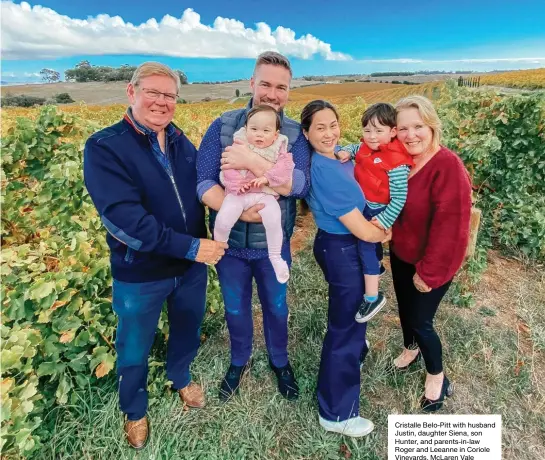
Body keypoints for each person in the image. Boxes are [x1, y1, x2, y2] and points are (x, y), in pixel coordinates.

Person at [83, 62, 228, 449]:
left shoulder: (181, 141)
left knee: (187, 327)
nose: (162, 102)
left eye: (169, 95)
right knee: (134, 344)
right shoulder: (104, 146)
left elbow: (205, 187)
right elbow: (125, 222)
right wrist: (195, 246)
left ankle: (180, 377)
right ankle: (134, 410)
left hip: (190, 268)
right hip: (141, 272)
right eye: (153, 92)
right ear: (132, 92)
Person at [197, 51, 311, 402]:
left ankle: (280, 360)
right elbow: (202, 181)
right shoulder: (223, 124)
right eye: (265, 84)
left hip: (272, 245)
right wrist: (240, 211)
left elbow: (300, 184)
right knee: (235, 307)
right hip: (230, 246)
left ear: (288, 91)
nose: (272, 94)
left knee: (277, 307)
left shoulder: (294, 133)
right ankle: (238, 359)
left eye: (281, 87)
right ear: (252, 83)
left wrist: (250, 161)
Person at [302, 100, 387, 437]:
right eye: (320, 127)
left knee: (353, 319)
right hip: (342, 248)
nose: (329, 133)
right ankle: (336, 413)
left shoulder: (339, 157)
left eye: (333, 124)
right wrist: (387, 229)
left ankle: (355, 350)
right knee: (345, 327)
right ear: (306, 133)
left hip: (346, 247)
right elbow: (364, 230)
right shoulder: (323, 170)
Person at [390, 95, 472, 412]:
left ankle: (437, 376)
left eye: (418, 126)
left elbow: (452, 228)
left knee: (422, 320)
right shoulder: (401, 162)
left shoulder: (447, 166)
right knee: (405, 310)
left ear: (432, 126)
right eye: (402, 128)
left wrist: (430, 273)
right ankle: (410, 348)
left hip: (432, 264)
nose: (410, 135)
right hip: (401, 254)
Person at [337, 103, 414, 323]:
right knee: (366, 246)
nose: (372, 136)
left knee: (365, 245)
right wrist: (345, 151)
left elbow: (399, 197)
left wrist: (384, 219)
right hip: (364, 203)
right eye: (367, 130)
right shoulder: (365, 147)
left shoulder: (396, 162)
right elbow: (355, 148)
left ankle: (372, 297)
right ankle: (377, 266)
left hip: (378, 209)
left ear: (392, 132)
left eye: (379, 131)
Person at [214, 104, 294, 284]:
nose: (259, 134)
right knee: (224, 218)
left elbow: (286, 170)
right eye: (254, 129)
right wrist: (237, 185)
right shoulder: (239, 144)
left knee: (274, 220)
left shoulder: (279, 148)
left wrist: (266, 177)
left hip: (265, 195)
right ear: (245, 129)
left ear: (275, 134)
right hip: (239, 193)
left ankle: (275, 257)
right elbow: (227, 168)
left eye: (266, 130)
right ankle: (219, 245)